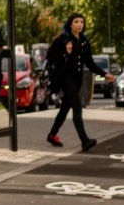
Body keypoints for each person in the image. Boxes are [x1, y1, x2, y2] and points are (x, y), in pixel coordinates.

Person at [45, 13, 113, 151]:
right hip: (65, 78)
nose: (79, 24)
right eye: (76, 21)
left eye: (82, 22)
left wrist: (105, 74)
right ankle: (84, 140)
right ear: (70, 24)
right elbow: (49, 56)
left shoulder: (84, 42)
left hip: (77, 79)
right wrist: (65, 51)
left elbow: (90, 64)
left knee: (65, 108)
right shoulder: (62, 39)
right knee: (77, 106)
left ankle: (52, 135)